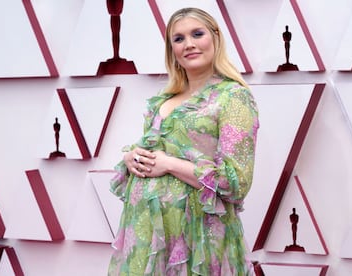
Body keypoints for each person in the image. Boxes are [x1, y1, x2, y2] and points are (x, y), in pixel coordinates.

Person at [108, 7, 259, 275]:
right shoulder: (163, 101)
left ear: (215, 38)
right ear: (172, 49)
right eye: (178, 39)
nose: (188, 44)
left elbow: (235, 182)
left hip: (198, 239)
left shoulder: (233, 97)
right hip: (147, 239)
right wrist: (133, 157)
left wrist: (169, 164)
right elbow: (157, 153)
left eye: (197, 34)